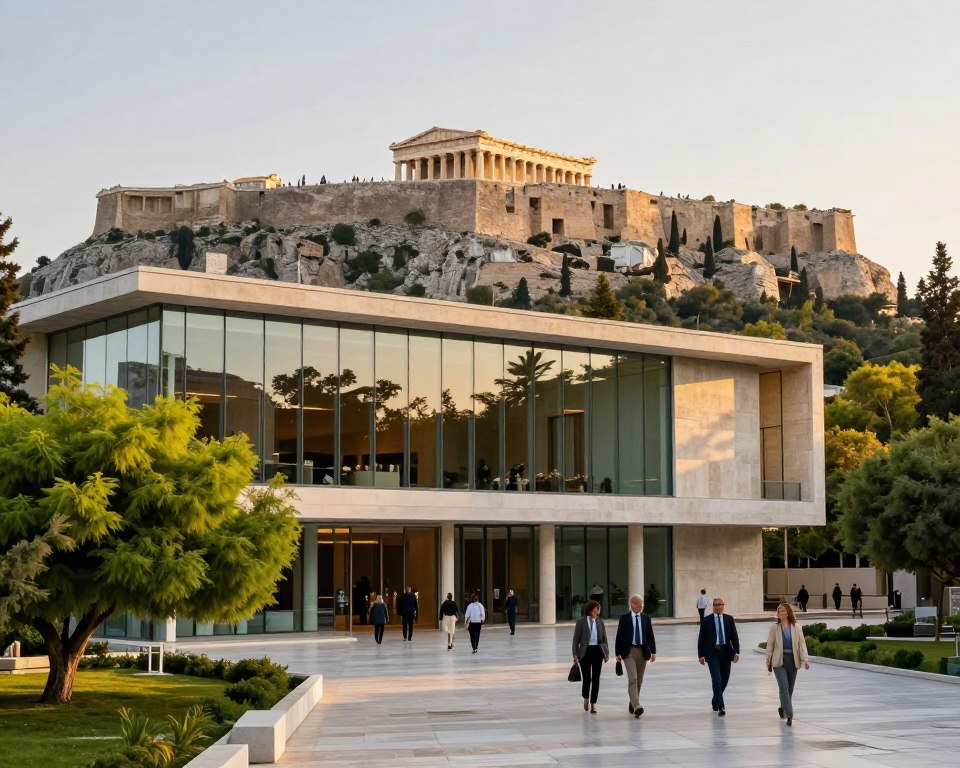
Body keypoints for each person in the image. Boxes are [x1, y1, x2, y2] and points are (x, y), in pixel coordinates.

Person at [765, 603, 810, 726]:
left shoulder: (796, 627)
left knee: (789, 689)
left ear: (788, 613)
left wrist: (806, 659)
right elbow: (770, 645)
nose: (780, 613)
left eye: (783, 611)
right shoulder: (775, 627)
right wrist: (768, 660)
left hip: (793, 660)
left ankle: (783, 707)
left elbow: (802, 644)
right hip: (779, 660)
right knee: (784, 687)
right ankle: (789, 714)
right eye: (779, 611)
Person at [614, 594, 657, 718]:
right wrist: (617, 653)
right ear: (632, 604)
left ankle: (632, 702)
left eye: (642, 603)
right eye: (638, 603)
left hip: (642, 651)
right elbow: (619, 636)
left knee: (639, 680)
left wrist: (653, 651)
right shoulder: (624, 618)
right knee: (632, 679)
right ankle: (637, 705)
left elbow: (650, 635)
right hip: (629, 652)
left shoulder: (646, 618)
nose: (641, 605)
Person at [697, 597, 740, 716]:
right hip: (712, 654)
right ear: (712, 607)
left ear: (723, 606)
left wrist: (737, 651)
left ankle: (715, 699)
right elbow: (701, 638)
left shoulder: (729, 619)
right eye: (715, 605)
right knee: (716, 679)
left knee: (724, 679)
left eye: (719, 604)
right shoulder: (706, 621)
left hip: (726, 653)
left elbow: (734, 636)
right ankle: (721, 706)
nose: (717, 607)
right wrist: (700, 655)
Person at [572, 600, 609, 714]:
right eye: (596, 608)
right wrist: (575, 654)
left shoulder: (600, 622)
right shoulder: (581, 622)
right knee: (587, 678)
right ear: (590, 609)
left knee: (596, 678)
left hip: (597, 651)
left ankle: (594, 703)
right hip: (585, 652)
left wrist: (606, 653)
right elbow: (576, 639)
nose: (598, 611)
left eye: (598, 609)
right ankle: (586, 698)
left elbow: (604, 638)